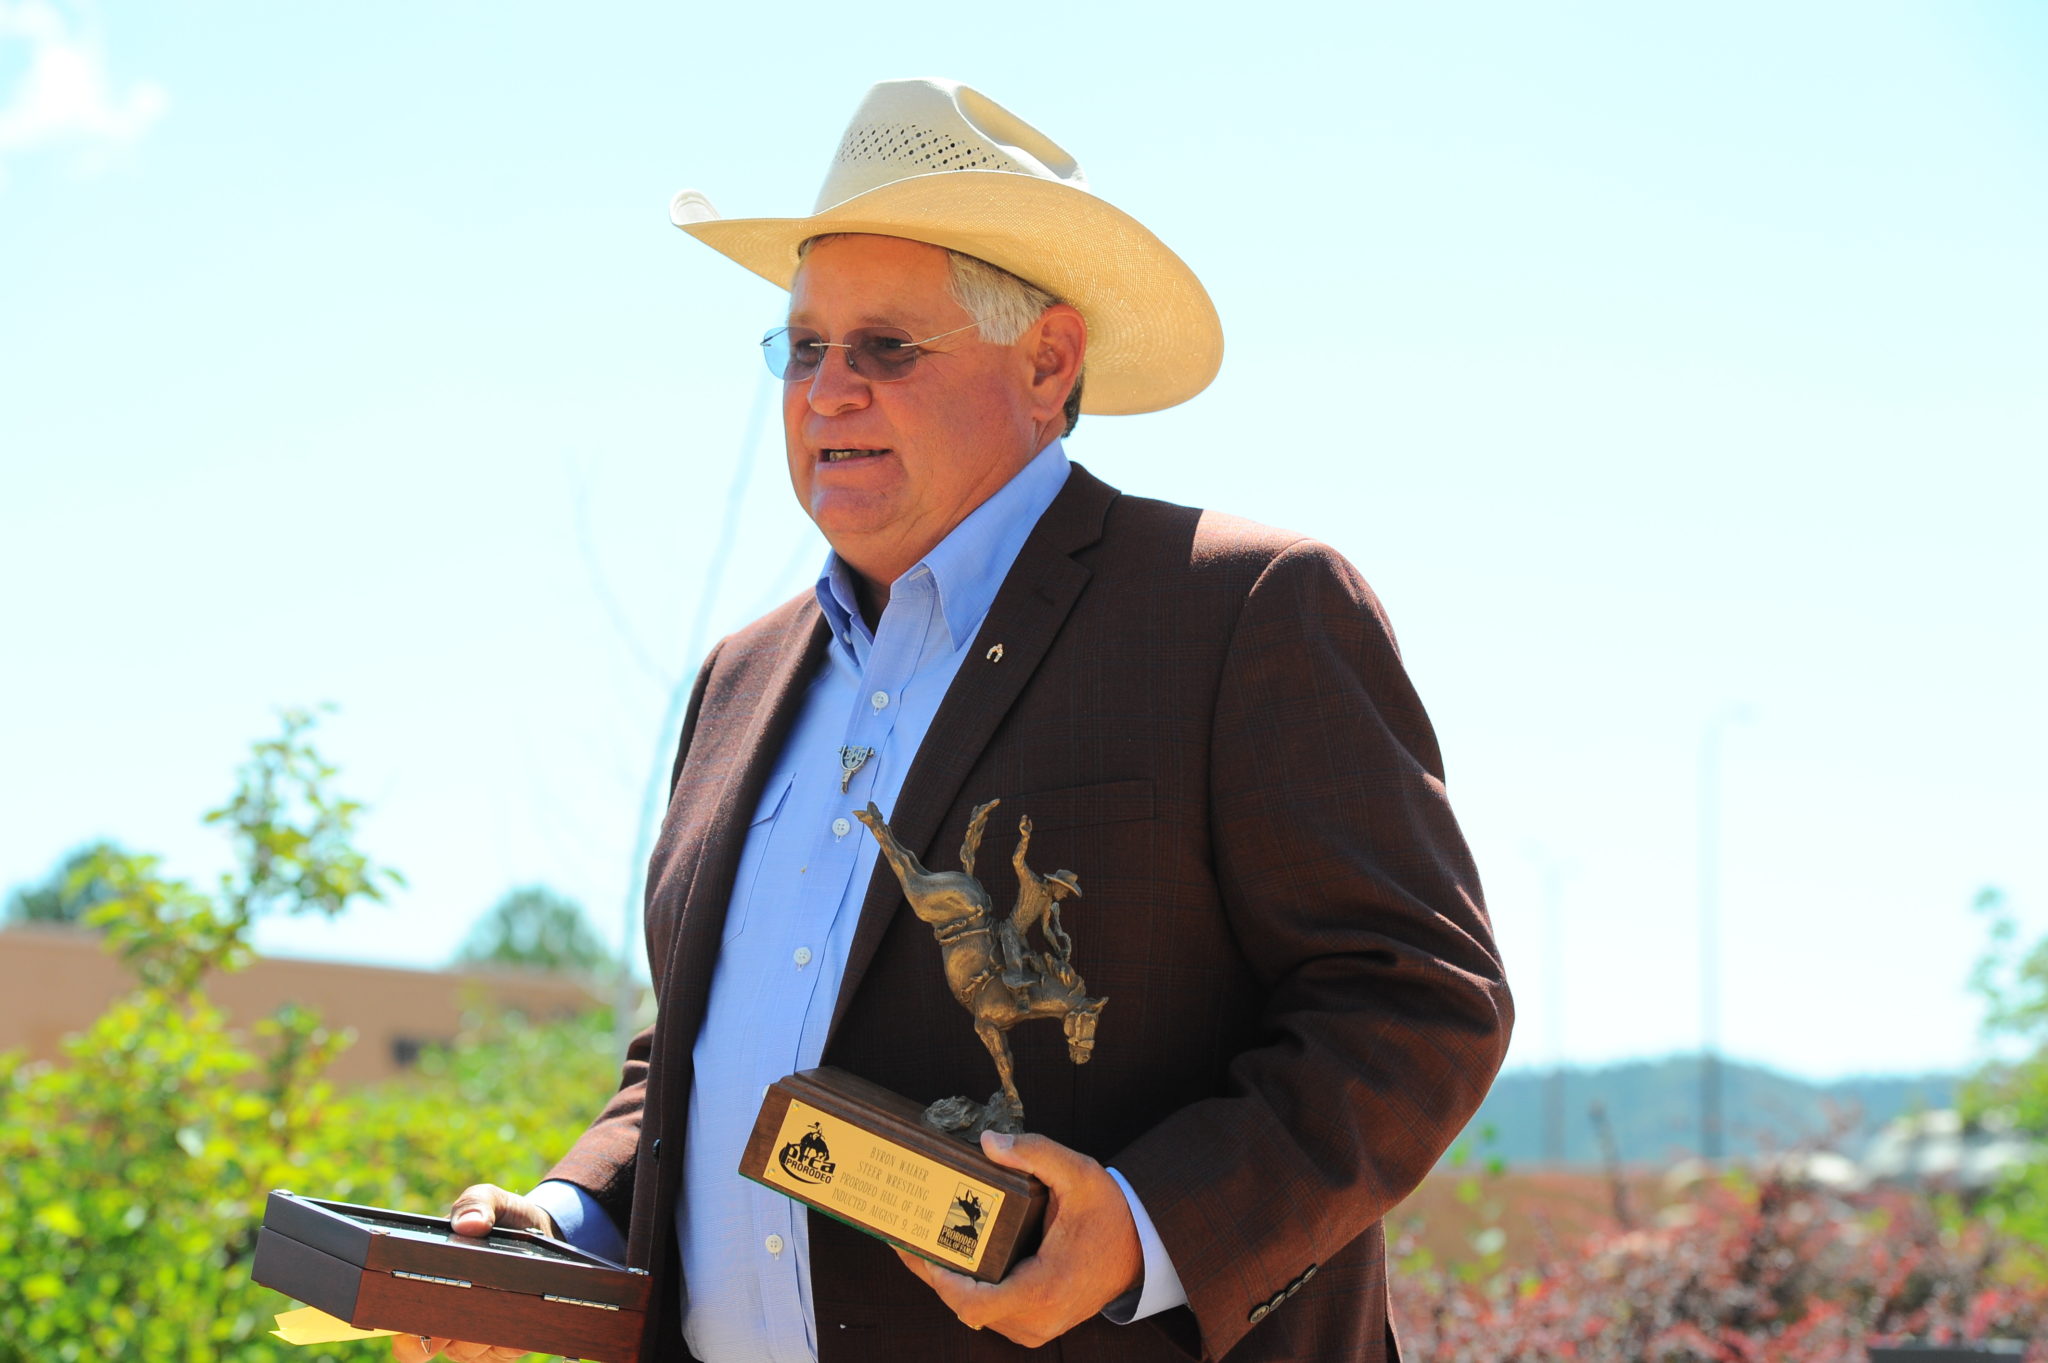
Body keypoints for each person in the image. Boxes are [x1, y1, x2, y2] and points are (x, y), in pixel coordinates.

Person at [399, 78, 1511, 1363]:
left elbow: (1417, 1003)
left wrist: (1150, 1228)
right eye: (802, 348)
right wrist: (568, 1213)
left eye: (884, 347)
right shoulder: (738, 679)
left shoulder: (1240, 609)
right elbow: (702, 1047)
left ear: (1047, 362)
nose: (827, 391)